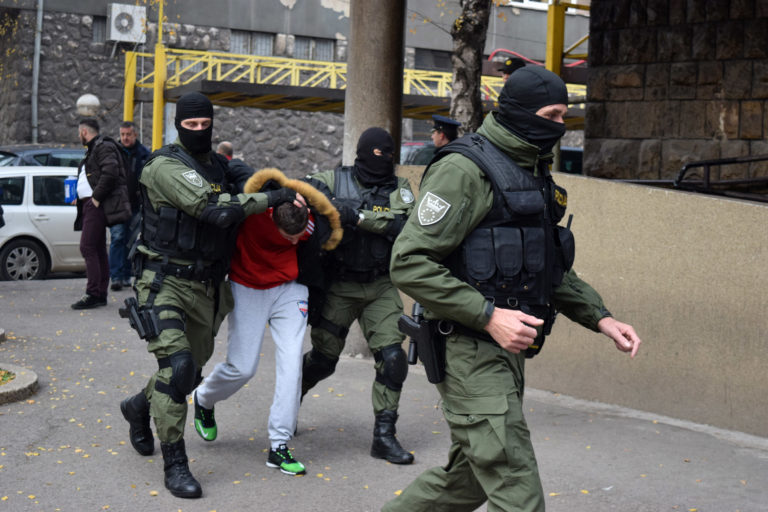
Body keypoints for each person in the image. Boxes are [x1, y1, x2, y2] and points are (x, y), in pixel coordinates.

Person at [383, 66, 642, 511]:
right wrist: (488, 315)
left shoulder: (529, 170)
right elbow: (408, 263)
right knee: (518, 494)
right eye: (553, 114)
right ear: (521, 113)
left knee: (464, 483)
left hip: (505, 355)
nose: (561, 126)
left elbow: (547, 268)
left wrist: (600, 316)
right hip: (469, 352)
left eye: (564, 115)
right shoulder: (464, 170)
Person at [118, 92, 296, 499]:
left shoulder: (217, 164)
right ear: (178, 125)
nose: (198, 131)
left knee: (192, 373)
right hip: (163, 283)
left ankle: (138, 407)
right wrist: (271, 198)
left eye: (204, 125)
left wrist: (266, 182)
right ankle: (175, 462)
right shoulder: (164, 166)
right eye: (190, 125)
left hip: (208, 288)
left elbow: (242, 178)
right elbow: (215, 209)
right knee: (178, 370)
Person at [191, 166, 340, 478]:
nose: (296, 240)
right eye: (290, 237)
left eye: (300, 235)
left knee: (291, 365)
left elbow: (326, 224)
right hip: (248, 286)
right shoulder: (254, 212)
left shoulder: (307, 219)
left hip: (290, 289)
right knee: (243, 367)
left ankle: (279, 445)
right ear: (273, 218)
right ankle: (204, 399)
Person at [300, 127, 417, 465]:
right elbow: (303, 193)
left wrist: (359, 217)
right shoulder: (333, 179)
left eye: (389, 156)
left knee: (393, 359)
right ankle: (291, 398)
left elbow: (404, 223)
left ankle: (384, 436)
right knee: (323, 360)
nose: (385, 162)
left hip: (380, 285)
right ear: (363, 154)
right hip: (340, 284)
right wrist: (328, 206)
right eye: (378, 155)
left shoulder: (399, 188)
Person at [71, 118, 131, 309]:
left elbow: (111, 173)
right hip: (89, 204)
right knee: (96, 248)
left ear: (83, 132)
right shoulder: (94, 149)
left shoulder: (102, 146)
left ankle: (94, 293)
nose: (78, 135)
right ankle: (99, 294)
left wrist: (95, 198)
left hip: (95, 205)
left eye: (78, 133)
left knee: (87, 247)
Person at [110, 121, 150, 291]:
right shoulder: (114, 152)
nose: (125, 138)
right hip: (117, 204)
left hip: (135, 204)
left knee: (130, 241)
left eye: (128, 135)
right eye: (122, 134)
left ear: (135, 135)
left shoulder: (143, 154)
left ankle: (127, 275)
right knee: (117, 238)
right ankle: (116, 277)